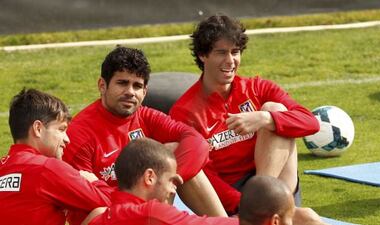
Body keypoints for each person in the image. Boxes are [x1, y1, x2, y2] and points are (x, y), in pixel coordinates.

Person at [169, 14, 320, 215]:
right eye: (221, 52)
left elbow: (311, 123)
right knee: (308, 217)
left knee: (275, 110)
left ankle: (263, 201)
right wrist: (241, 204)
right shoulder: (185, 111)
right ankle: (257, 211)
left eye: (235, 52)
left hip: (273, 184)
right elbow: (204, 174)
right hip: (230, 198)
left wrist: (265, 119)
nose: (230, 61)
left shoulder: (257, 88)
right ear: (203, 55)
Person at [63, 46, 226, 217]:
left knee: (175, 151)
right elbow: (82, 198)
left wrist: (168, 181)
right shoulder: (79, 133)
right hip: (109, 213)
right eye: (122, 83)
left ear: (145, 91)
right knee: (98, 211)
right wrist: (142, 202)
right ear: (102, 85)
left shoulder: (145, 115)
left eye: (137, 86)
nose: (130, 92)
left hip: (147, 206)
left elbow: (197, 142)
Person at [0, 88, 111, 225]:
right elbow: (116, 204)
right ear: (38, 128)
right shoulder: (47, 168)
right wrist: (93, 182)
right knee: (102, 213)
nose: (67, 139)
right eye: (61, 129)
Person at [85, 138, 237, 225]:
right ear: (149, 177)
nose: (173, 189)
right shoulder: (152, 213)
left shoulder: (98, 217)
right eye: (171, 181)